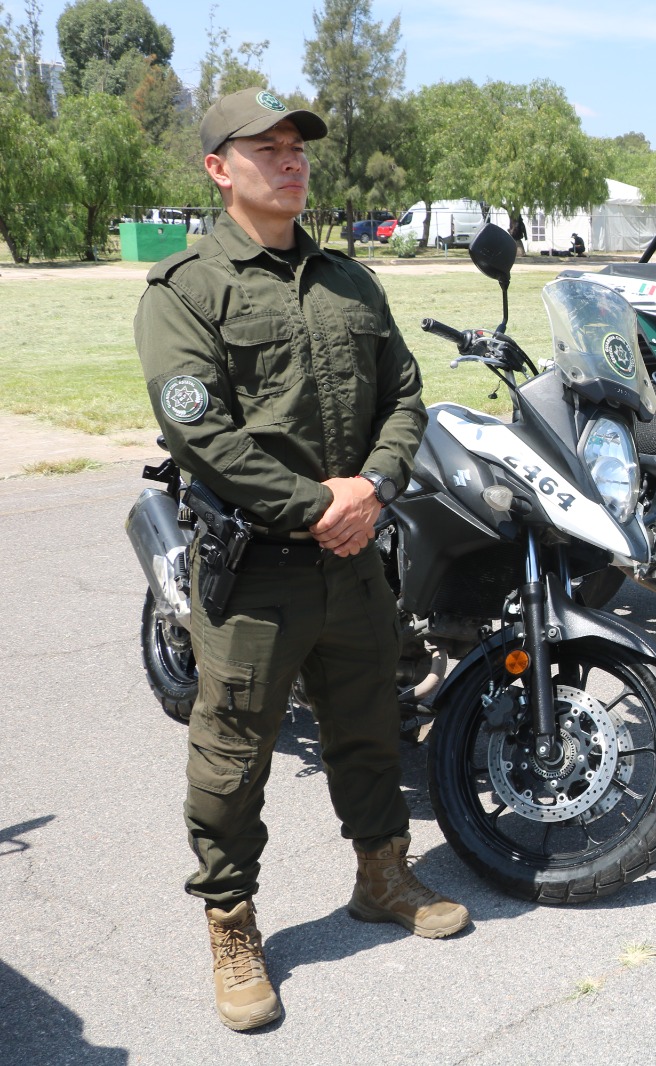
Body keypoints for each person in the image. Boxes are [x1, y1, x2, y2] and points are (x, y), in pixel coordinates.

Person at [133, 87, 465, 1033]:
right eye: (266, 148)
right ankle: (231, 923)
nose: (291, 161)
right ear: (217, 168)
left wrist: (375, 488)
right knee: (232, 758)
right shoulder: (186, 289)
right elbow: (202, 436)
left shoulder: (351, 282)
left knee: (369, 726)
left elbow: (406, 396)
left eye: (298, 147)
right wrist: (321, 506)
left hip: (353, 561)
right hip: (257, 572)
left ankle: (382, 875)